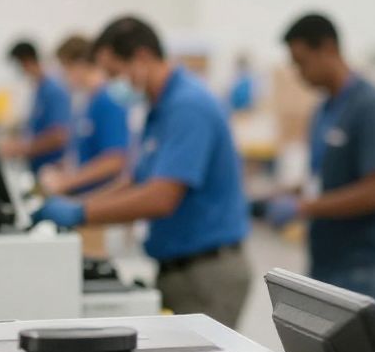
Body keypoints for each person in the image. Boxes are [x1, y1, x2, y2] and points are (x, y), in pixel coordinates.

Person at [34, 17, 251, 327]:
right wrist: (76, 205)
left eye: (114, 73)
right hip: (177, 268)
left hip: (206, 273)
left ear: (142, 59)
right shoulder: (158, 107)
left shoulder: (188, 106)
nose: (110, 83)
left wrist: (82, 213)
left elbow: (161, 198)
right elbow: (135, 180)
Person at [267, 14, 375, 314]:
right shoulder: (324, 111)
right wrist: (287, 193)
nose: (299, 73)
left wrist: (305, 208)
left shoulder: (370, 108)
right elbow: (324, 179)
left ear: (328, 49)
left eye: (302, 62)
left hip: (362, 269)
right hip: (325, 263)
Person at [38, 35, 131, 197]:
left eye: (65, 68)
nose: (63, 76)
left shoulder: (108, 101)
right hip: (81, 197)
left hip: (99, 202)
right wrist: (61, 170)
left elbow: (115, 159)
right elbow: (83, 154)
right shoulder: (87, 102)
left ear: (80, 65)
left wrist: (66, 182)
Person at [0, 40, 71, 174]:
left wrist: (21, 148)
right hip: (36, 167)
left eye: (20, 66)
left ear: (27, 62)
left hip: (50, 170)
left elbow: (59, 135)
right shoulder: (39, 89)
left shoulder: (54, 90)